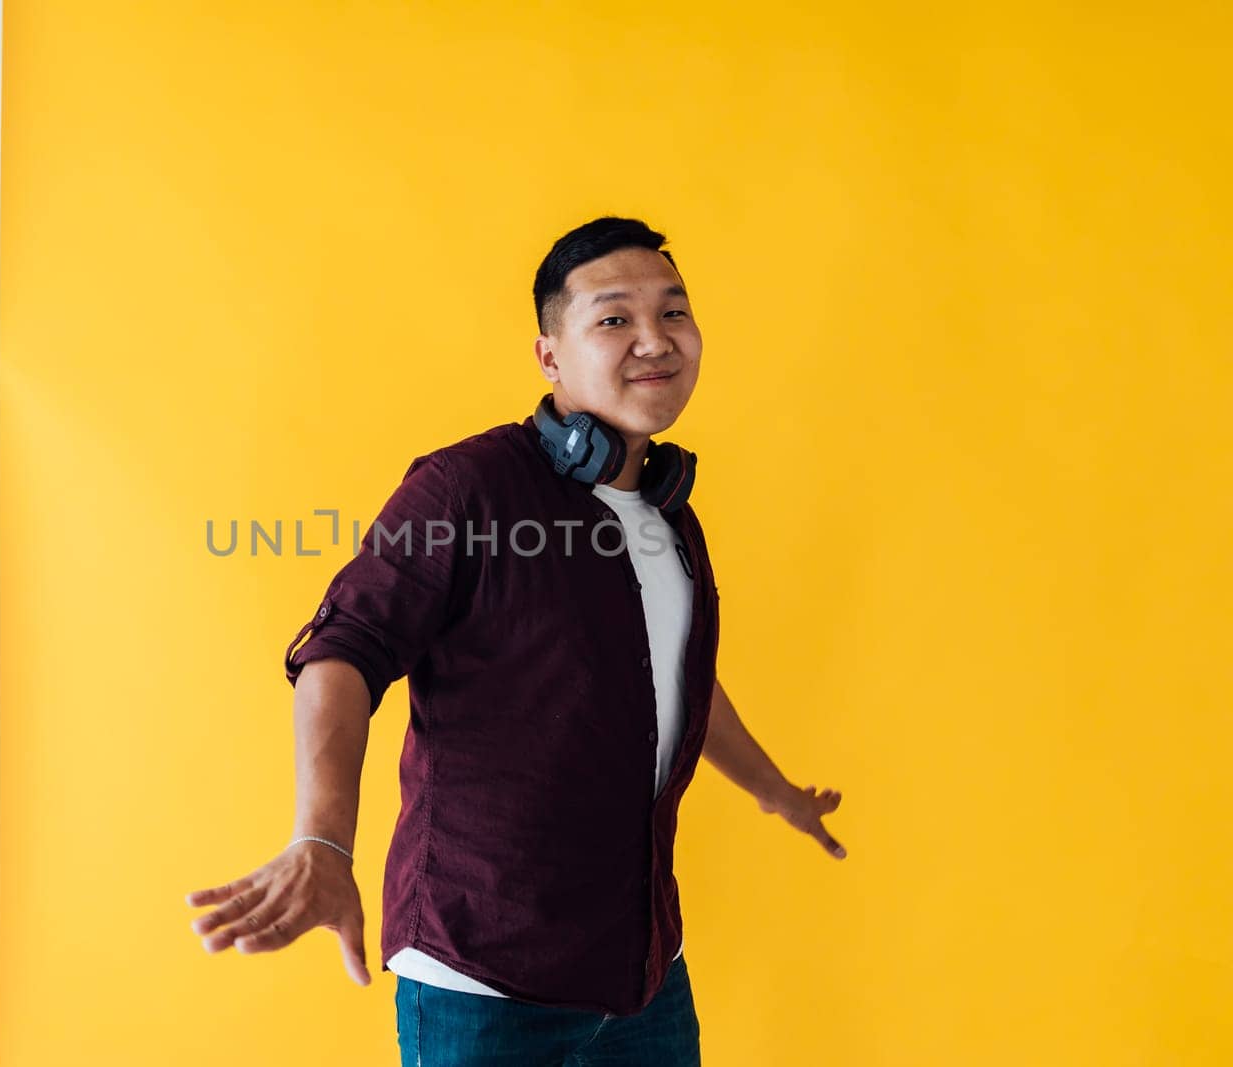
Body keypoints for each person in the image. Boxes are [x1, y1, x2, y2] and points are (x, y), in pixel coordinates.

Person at [186, 216, 847, 1066]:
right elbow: (344, 650)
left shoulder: (671, 517)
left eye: (673, 313)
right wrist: (322, 838)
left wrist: (775, 790)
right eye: (614, 319)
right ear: (549, 358)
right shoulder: (465, 487)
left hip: (644, 976)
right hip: (485, 982)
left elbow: (679, 680)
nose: (655, 339)